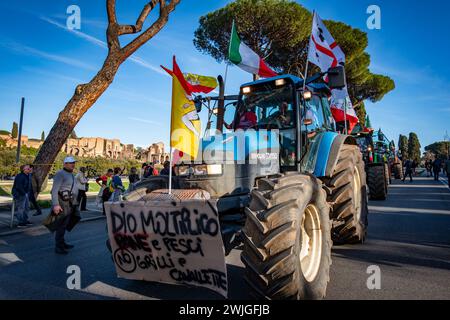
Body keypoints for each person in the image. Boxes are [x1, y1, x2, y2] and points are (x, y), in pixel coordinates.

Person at [51, 157, 79, 255]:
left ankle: (62, 243)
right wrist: (55, 205)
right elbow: (54, 190)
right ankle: (58, 247)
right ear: (65, 164)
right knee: (61, 225)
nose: (73, 164)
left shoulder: (71, 174)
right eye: (71, 163)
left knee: (65, 224)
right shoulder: (60, 174)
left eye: (74, 163)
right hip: (62, 202)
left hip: (69, 202)